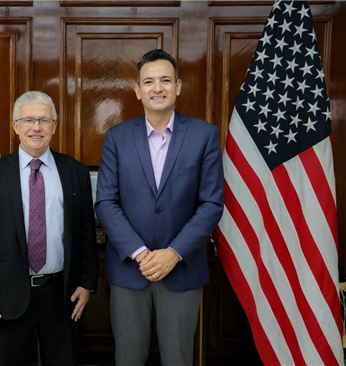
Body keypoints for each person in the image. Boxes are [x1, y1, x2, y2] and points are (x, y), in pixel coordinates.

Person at [95, 49, 224, 366]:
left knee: (178, 359)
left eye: (165, 80)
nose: (158, 88)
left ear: (178, 86)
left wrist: (173, 253)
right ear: (137, 91)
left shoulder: (204, 135)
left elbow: (211, 204)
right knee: (128, 358)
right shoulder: (117, 137)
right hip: (129, 271)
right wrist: (141, 253)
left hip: (181, 269)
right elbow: (105, 202)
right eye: (149, 81)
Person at [0, 91, 99, 366]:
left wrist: (87, 283)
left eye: (44, 120)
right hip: (7, 297)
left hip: (62, 295)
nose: (36, 128)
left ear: (54, 125)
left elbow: (87, 232)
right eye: (28, 120)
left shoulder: (75, 172)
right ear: (16, 126)